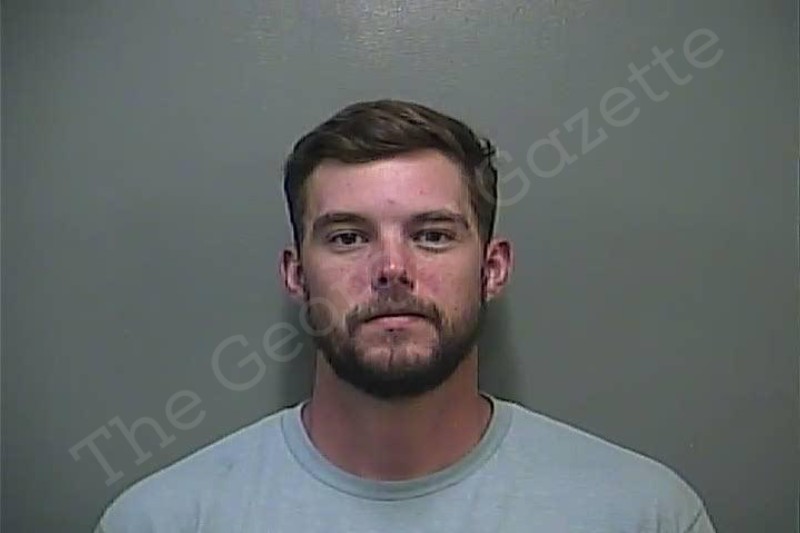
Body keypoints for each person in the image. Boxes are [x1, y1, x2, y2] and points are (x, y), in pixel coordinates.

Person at [95, 99, 716, 532]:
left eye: (433, 235)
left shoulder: (642, 515)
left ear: (493, 269)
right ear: (296, 274)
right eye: (347, 238)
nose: (392, 268)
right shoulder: (164, 520)